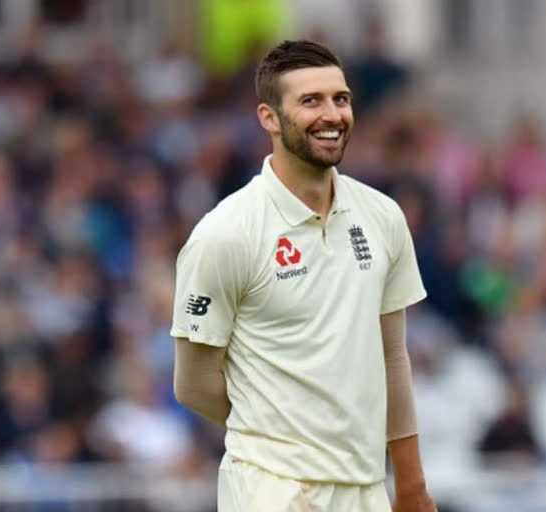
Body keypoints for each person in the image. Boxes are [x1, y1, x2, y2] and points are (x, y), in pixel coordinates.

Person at [170, 40, 436, 512]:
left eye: (341, 98)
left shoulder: (383, 217)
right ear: (269, 118)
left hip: (364, 486)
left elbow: (393, 357)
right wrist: (283, 432)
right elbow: (192, 384)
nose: (331, 114)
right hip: (271, 487)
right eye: (310, 101)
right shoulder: (225, 234)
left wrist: (411, 482)